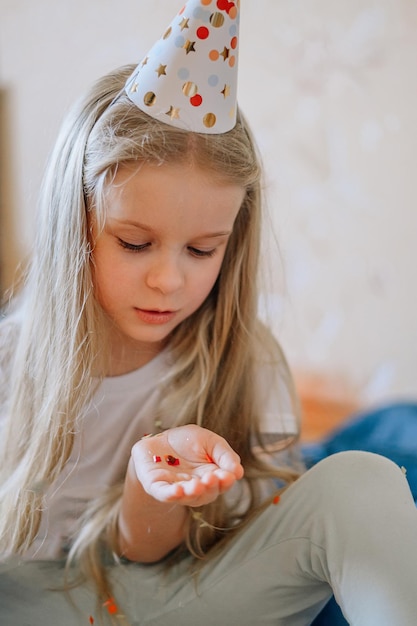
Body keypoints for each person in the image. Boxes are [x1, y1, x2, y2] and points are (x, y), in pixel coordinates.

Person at [1, 2, 417, 625]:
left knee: (365, 478)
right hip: (39, 601)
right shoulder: (11, 361)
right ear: (75, 225)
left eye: (202, 250)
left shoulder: (249, 365)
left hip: (196, 601)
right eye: (134, 243)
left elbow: (182, 554)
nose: (168, 278)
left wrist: (152, 496)